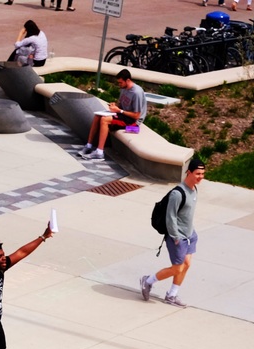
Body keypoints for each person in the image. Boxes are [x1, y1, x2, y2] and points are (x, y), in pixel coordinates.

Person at [139, 160, 204, 308]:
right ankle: (148, 281)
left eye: (203, 174)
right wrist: (175, 237)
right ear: (189, 172)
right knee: (177, 268)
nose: (201, 177)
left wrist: (191, 232)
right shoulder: (177, 193)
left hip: (190, 235)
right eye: (198, 173)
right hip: (178, 237)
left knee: (186, 264)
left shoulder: (194, 189)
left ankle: (172, 295)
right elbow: (171, 217)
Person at [78, 69, 145, 161]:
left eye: (121, 83)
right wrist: (114, 106)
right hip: (123, 114)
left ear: (128, 80)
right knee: (98, 116)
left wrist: (120, 111)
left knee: (104, 120)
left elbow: (136, 116)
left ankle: (99, 152)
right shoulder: (124, 89)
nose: (119, 85)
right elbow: (120, 105)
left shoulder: (136, 93)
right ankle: (89, 145)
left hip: (132, 121)